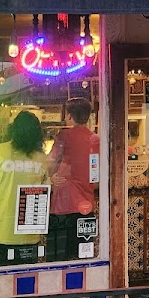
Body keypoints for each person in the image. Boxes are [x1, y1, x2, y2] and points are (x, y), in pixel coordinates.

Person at [0, 110, 47, 265]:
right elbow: (46, 189)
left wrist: (3, 192)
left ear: (13, 129)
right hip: (29, 233)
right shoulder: (41, 158)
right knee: (27, 277)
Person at [46, 98, 100, 261]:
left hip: (64, 203)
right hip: (86, 205)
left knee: (59, 256)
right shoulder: (95, 139)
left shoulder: (64, 136)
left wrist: (51, 176)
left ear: (69, 116)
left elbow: (51, 162)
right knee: (82, 254)